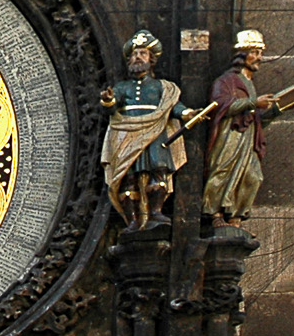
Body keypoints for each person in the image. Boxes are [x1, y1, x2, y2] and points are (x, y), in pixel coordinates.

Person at [100, 29, 189, 230]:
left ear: (151, 59)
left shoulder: (161, 87)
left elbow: (172, 105)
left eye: (142, 53)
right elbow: (112, 106)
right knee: (127, 177)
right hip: (127, 132)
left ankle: (156, 212)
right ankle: (132, 219)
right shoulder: (123, 87)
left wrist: (186, 114)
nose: (137, 57)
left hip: (155, 132)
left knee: (158, 171)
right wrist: (108, 100)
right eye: (134, 54)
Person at [204, 28, 282, 224]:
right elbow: (220, 104)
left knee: (253, 176)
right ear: (242, 55)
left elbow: (255, 118)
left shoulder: (249, 83)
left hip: (248, 137)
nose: (259, 58)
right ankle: (215, 214)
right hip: (230, 134)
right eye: (254, 53)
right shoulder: (227, 80)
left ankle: (236, 218)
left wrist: (276, 110)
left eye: (260, 53)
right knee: (223, 170)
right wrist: (254, 103)